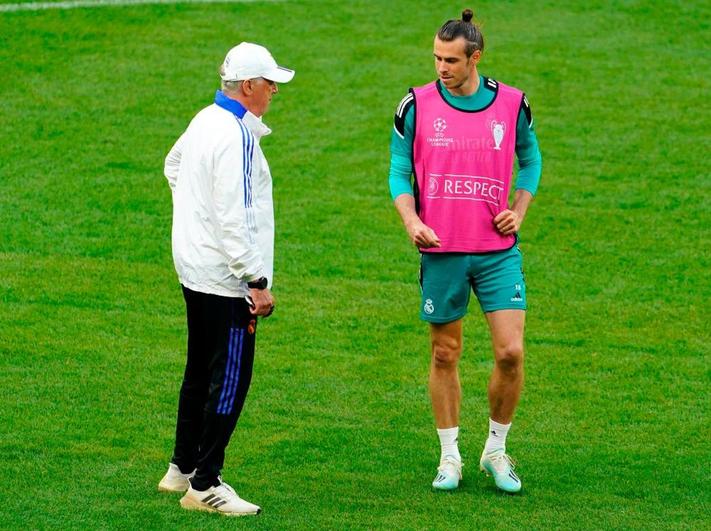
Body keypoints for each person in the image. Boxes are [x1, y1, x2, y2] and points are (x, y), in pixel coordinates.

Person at [389, 9, 542, 494]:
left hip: (497, 252)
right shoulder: (414, 106)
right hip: (443, 252)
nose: (441, 67)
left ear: (475, 57)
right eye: (436, 57)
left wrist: (519, 209)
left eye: (451, 60)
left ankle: (496, 450)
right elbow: (398, 171)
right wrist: (412, 220)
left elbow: (531, 159)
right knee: (444, 352)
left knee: (511, 352)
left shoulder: (512, 104)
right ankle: (449, 456)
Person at [158, 42, 294, 515]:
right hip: (226, 278)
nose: (275, 90)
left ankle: (180, 468)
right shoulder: (234, 134)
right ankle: (206, 483)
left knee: (199, 369)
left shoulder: (203, 120)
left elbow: (173, 166)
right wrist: (254, 280)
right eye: (269, 82)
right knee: (230, 377)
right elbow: (235, 217)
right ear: (249, 86)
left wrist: (194, 225)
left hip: (195, 269)